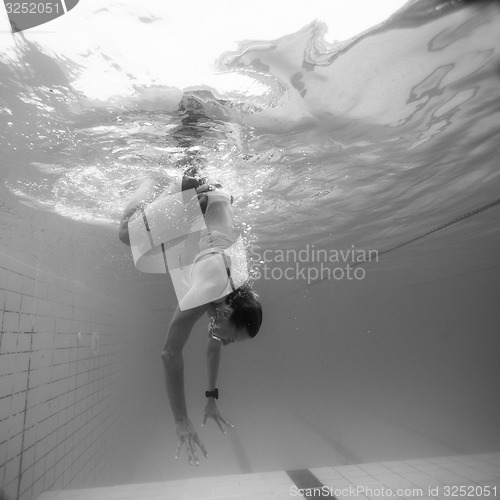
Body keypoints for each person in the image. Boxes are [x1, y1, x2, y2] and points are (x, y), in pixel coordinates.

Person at [119, 147, 262, 466]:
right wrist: (180, 420)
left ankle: (190, 158)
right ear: (227, 312)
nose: (224, 341)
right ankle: (146, 181)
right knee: (125, 234)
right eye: (230, 337)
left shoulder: (233, 293)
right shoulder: (211, 287)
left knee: (195, 152)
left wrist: (211, 396)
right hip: (195, 195)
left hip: (215, 198)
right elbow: (170, 352)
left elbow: (214, 344)